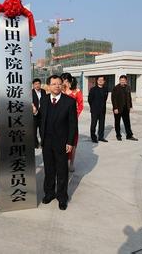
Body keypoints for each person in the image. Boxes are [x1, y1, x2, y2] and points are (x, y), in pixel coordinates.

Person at [33, 75, 77, 211]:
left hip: (62, 142)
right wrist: (35, 112)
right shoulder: (44, 100)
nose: (56, 86)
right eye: (53, 84)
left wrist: (70, 142)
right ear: (49, 86)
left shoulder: (69, 101)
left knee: (62, 171)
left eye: (59, 84)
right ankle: (49, 194)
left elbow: (72, 124)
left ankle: (62, 197)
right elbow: (40, 118)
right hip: (47, 141)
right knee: (49, 170)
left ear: (62, 85)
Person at [61, 73, 83, 172]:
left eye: (63, 80)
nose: (62, 82)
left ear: (68, 81)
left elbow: (81, 105)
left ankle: (71, 163)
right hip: (61, 121)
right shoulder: (60, 91)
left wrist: (74, 116)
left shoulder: (76, 92)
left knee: (73, 143)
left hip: (72, 122)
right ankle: (63, 162)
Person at [111, 75, 138, 141]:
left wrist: (130, 106)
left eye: (124, 80)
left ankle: (129, 135)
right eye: (121, 80)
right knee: (117, 122)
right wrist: (115, 108)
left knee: (127, 122)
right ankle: (118, 135)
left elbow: (129, 98)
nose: (122, 81)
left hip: (126, 108)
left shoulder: (128, 87)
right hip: (118, 108)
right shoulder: (116, 88)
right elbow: (113, 99)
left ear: (126, 81)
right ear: (119, 80)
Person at [88, 75, 109, 143]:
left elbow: (105, 99)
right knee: (93, 124)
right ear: (97, 81)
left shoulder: (105, 89)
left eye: (102, 80)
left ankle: (101, 137)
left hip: (102, 110)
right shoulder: (93, 89)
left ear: (104, 81)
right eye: (99, 80)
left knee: (102, 124)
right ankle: (93, 137)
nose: (100, 81)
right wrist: (93, 107)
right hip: (95, 110)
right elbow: (90, 100)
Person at [32, 78, 46, 149]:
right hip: (34, 115)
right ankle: (35, 144)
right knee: (33, 131)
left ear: (40, 84)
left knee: (42, 130)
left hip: (42, 114)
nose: (37, 85)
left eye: (38, 84)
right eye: (35, 84)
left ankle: (43, 143)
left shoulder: (43, 91)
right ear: (33, 85)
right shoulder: (31, 92)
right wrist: (33, 108)